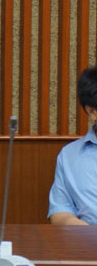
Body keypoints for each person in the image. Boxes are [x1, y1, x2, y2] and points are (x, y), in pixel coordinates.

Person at [48, 66, 97, 225]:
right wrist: (87, 233)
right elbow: (60, 212)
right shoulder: (70, 155)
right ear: (92, 112)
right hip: (86, 239)